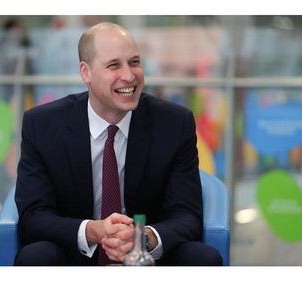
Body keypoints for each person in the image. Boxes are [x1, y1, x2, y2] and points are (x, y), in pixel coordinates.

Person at [14, 22, 223, 266]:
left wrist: (142, 238)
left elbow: (187, 215)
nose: (129, 75)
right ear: (86, 73)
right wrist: (94, 231)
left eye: (134, 62)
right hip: (76, 254)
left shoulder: (175, 123)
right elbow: (33, 217)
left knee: (204, 258)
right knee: (35, 257)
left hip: (147, 258)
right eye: (114, 65)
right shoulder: (42, 125)